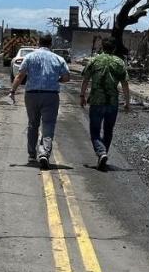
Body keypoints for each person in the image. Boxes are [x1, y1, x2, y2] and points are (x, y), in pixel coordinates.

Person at [8, 34, 70, 169]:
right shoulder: (58, 59)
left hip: (32, 95)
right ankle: (44, 153)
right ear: (51, 44)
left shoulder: (30, 57)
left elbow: (19, 76)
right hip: (51, 96)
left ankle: (31, 154)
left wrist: (12, 91)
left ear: (38, 43)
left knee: (32, 124)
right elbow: (66, 77)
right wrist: (56, 80)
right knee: (48, 124)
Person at [79, 36, 131, 170]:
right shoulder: (119, 62)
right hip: (112, 102)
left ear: (102, 46)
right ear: (114, 48)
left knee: (95, 130)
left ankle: (101, 153)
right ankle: (103, 155)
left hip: (96, 101)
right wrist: (127, 102)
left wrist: (82, 95)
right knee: (108, 131)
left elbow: (85, 79)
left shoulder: (94, 60)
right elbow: (125, 83)